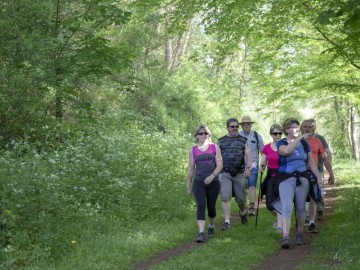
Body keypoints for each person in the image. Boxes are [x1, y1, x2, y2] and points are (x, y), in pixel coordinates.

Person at [272, 118, 321, 249]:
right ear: (286, 129)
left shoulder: (304, 145)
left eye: (297, 127)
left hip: (302, 178)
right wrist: (298, 139)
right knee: (287, 207)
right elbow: (285, 151)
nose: (296, 129)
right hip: (285, 179)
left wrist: (318, 177)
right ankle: (286, 236)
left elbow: (311, 161)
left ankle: (299, 233)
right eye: (293, 127)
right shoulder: (281, 143)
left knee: (300, 208)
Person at [186, 125, 223, 243]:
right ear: (196, 135)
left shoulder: (215, 147)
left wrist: (212, 176)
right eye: (200, 133)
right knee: (201, 205)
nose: (203, 135)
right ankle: (201, 232)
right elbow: (191, 169)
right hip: (198, 182)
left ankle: (211, 225)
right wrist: (188, 185)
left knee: (211, 207)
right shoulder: (193, 150)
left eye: (205, 133)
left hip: (213, 182)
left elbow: (220, 165)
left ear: (209, 135)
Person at [301, 120, 335, 233]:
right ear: (301, 128)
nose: (307, 129)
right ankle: (300, 223)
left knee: (313, 197)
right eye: (305, 127)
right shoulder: (295, 142)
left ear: (314, 128)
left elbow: (324, 158)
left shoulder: (317, 141)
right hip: (299, 174)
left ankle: (311, 222)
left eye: (310, 127)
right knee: (300, 198)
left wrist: (331, 173)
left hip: (314, 173)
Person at [218, 118, 252, 230]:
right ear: (227, 128)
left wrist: (248, 168)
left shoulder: (243, 140)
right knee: (225, 196)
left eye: (237, 126)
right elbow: (218, 158)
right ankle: (227, 221)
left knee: (241, 198)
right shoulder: (221, 141)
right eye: (232, 126)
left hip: (240, 173)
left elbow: (248, 155)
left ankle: (242, 212)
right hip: (225, 173)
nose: (235, 128)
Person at [259, 124, 283, 232]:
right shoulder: (267, 147)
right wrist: (262, 166)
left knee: (279, 200)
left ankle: (280, 225)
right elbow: (263, 161)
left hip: (283, 176)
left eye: (279, 133)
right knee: (269, 205)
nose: (278, 135)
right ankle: (277, 218)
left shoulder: (285, 146)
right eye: (275, 133)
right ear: (271, 134)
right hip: (271, 176)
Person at [239, 116, 264, 216]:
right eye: (244, 124)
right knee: (241, 187)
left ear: (251, 125)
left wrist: (263, 163)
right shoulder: (238, 136)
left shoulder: (257, 136)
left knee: (252, 186)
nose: (246, 126)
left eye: (248, 124)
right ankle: (243, 206)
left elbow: (263, 151)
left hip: (253, 165)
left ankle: (252, 208)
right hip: (240, 166)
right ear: (241, 126)